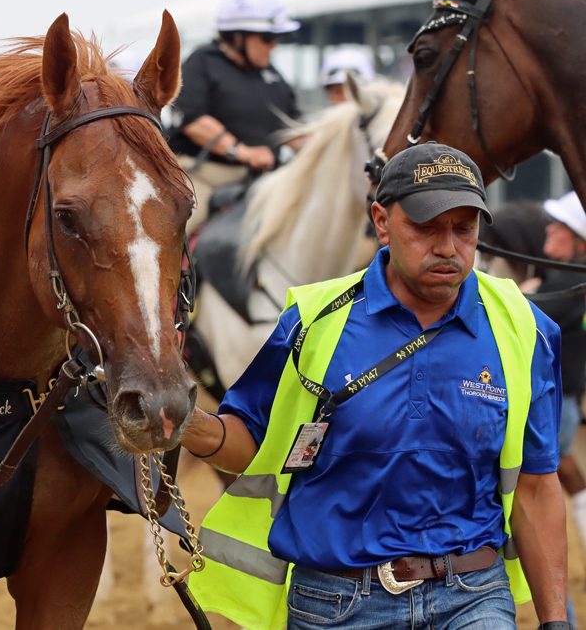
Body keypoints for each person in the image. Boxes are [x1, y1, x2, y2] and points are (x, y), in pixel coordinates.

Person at [183, 142, 568, 630]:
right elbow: (252, 445)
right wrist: (188, 426)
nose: (448, 246)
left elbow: (536, 486)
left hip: (473, 596)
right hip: (335, 604)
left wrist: (557, 621)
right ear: (382, 221)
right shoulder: (311, 322)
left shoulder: (523, 328)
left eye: (464, 229)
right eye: (426, 227)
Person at [167, 0, 300, 232]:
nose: (273, 46)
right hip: (205, 178)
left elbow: (295, 128)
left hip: (266, 180)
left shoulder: (272, 76)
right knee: (173, 232)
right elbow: (193, 120)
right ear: (237, 37)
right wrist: (244, 153)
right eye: (267, 38)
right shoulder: (203, 62)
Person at [524, 193, 586, 552]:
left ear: (577, 237)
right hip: (565, 402)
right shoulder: (567, 281)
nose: (549, 229)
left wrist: (523, 293)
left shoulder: (565, 283)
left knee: (535, 490)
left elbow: (524, 314)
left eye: (559, 226)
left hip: (555, 405)